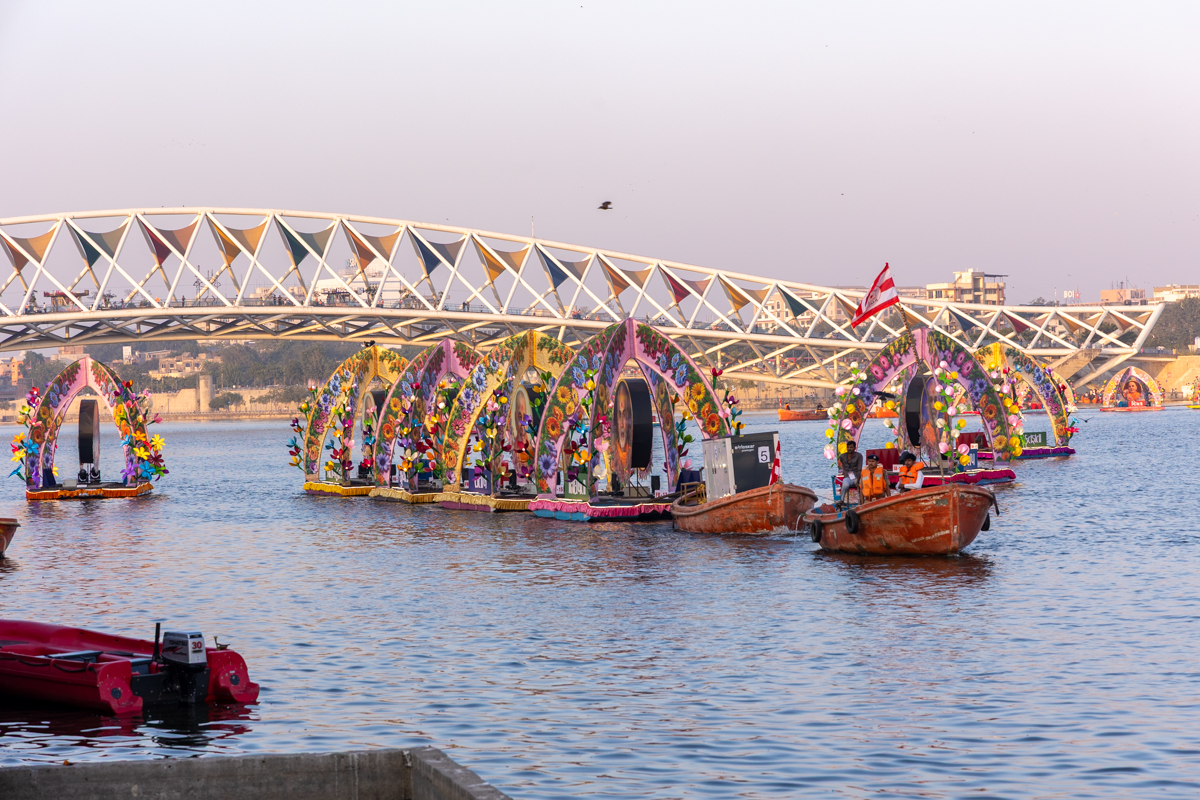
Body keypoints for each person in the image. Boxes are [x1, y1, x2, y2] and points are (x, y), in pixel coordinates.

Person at [837, 440, 864, 506]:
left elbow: (859, 469)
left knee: (861, 485)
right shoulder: (843, 456)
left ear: (854, 448)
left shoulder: (859, 456)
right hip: (847, 477)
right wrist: (844, 472)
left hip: (856, 477)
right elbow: (841, 464)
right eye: (848, 447)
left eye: (851, 447)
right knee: (845, 485)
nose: (849, 449)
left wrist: (858, 480)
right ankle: (841, 501)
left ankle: (862, 502)